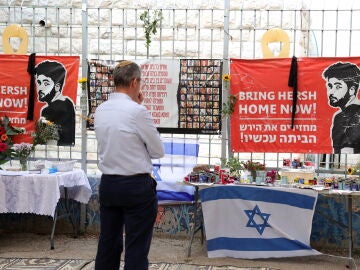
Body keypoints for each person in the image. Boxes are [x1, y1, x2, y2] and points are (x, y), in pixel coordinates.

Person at [94, 60, 164, 270]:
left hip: (109, 184)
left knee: (108, 243)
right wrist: (139, 107)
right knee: (136, 247)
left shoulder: (101, 109)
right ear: (135, 82)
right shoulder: (137, 112)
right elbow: (157, 151)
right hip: (135, 186)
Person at [35, 60, 76, 146]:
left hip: (55, 151)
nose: (40, 88)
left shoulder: (49, 109)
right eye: (39, 82)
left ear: (57, 87)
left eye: (46, 83)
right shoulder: (68, 102)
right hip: (67, 149)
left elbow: (48, 139)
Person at [322, 61, 360, 154]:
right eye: (330, 86)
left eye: (338, 87)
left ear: (352, 90)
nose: (331, 92)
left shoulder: (346, 116)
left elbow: (347, 153)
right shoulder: (341, 115)